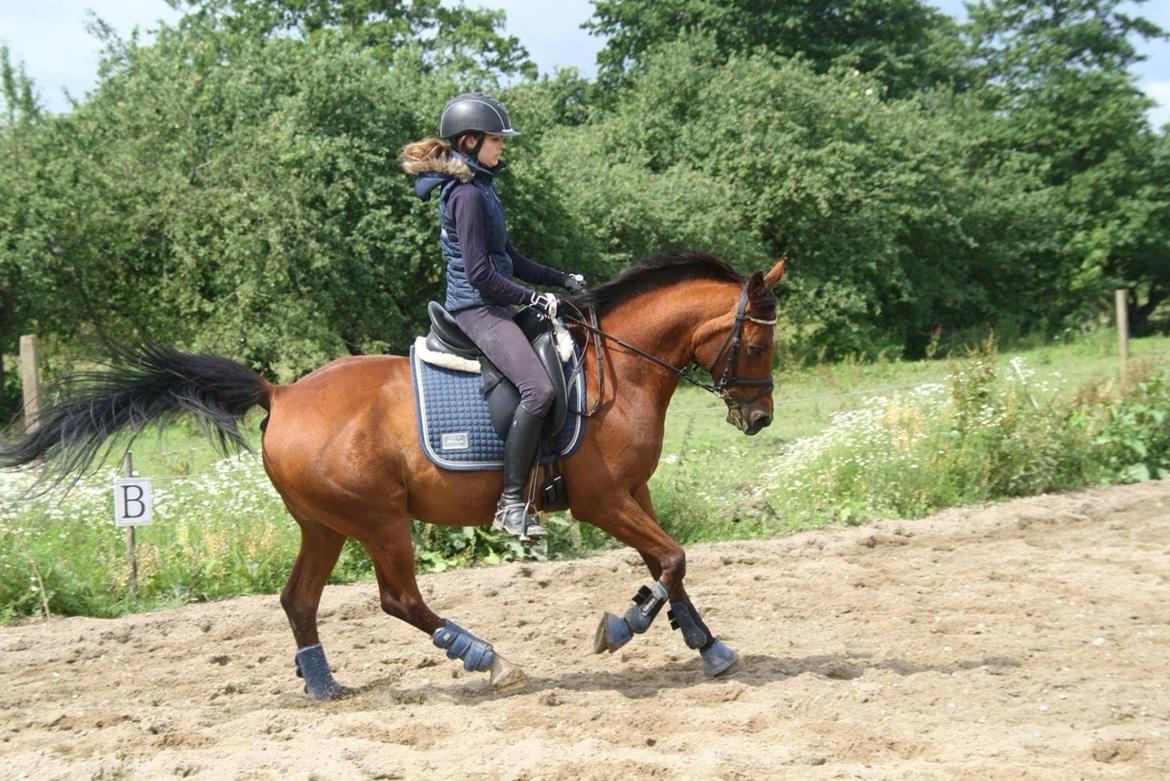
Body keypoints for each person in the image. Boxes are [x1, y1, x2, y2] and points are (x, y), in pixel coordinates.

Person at [402, 92, 586, 540]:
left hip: (496, 303)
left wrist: (561, 279)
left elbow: (508, 257)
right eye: (495, 139)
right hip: (478, 310)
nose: (502, 146)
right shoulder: (465, 194)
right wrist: (532, 299)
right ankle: (510, 505)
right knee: (538, 390)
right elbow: (482, 274)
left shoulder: (482, 186)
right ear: (469, 142)